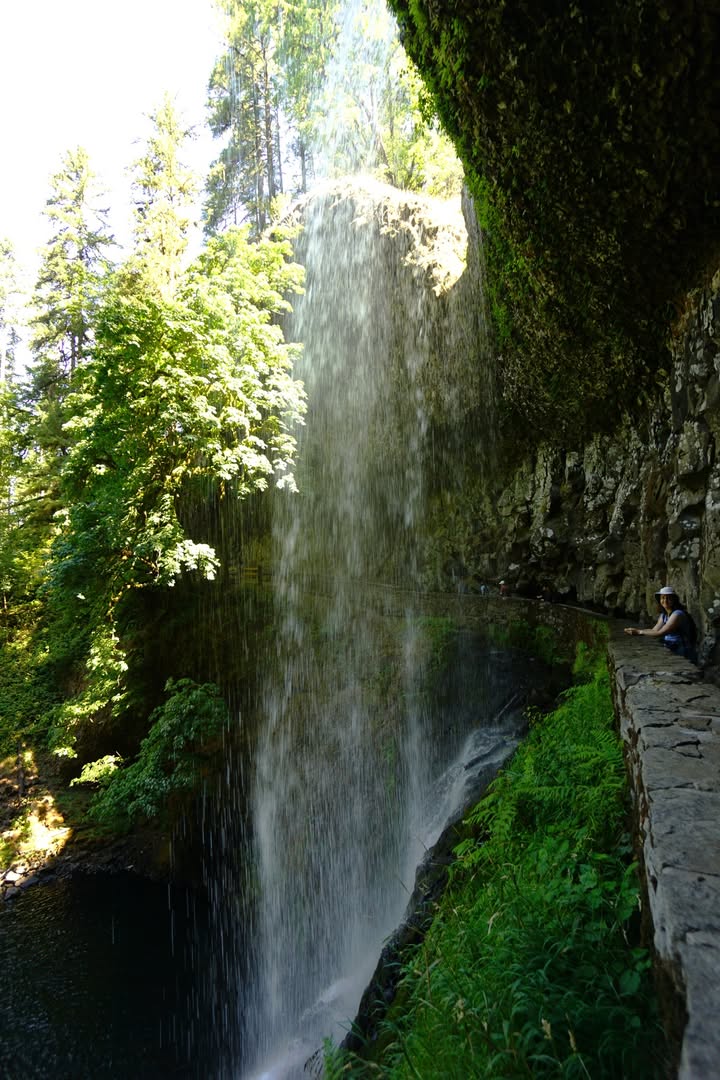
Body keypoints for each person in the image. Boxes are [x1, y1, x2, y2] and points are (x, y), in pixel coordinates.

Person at [624, 586, 698, 662]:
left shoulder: (678, 614)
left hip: (682, 649)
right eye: (663, 598)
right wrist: (637, 630)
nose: (665, 600)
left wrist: (639, 632)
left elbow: (660, 633)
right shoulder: (664, 615)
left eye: (668, 598)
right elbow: (654, 630)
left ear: (674, 600)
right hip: (671, 646)